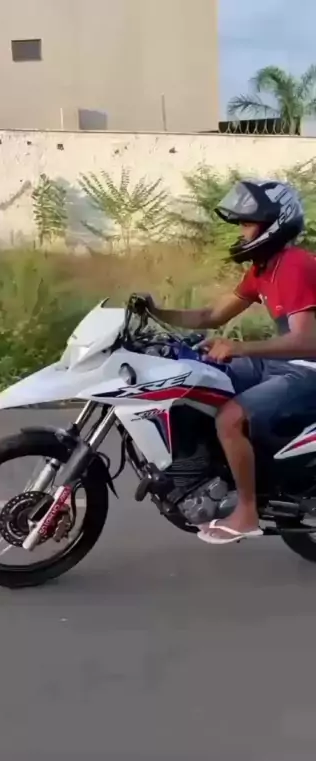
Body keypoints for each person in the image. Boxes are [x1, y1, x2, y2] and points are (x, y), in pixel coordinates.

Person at [143, 179, 316, 545]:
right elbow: (212, 315)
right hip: (283, 364)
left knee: (230, 418)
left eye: (247, 223)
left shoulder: (295, 265)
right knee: (202, 379)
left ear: (274, 224)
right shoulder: (262, 270)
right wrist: (156, 312)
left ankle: (247, 512)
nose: (242, 231)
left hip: (307, 370)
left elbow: (306, 342)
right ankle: (213, 475)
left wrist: (239, 348)